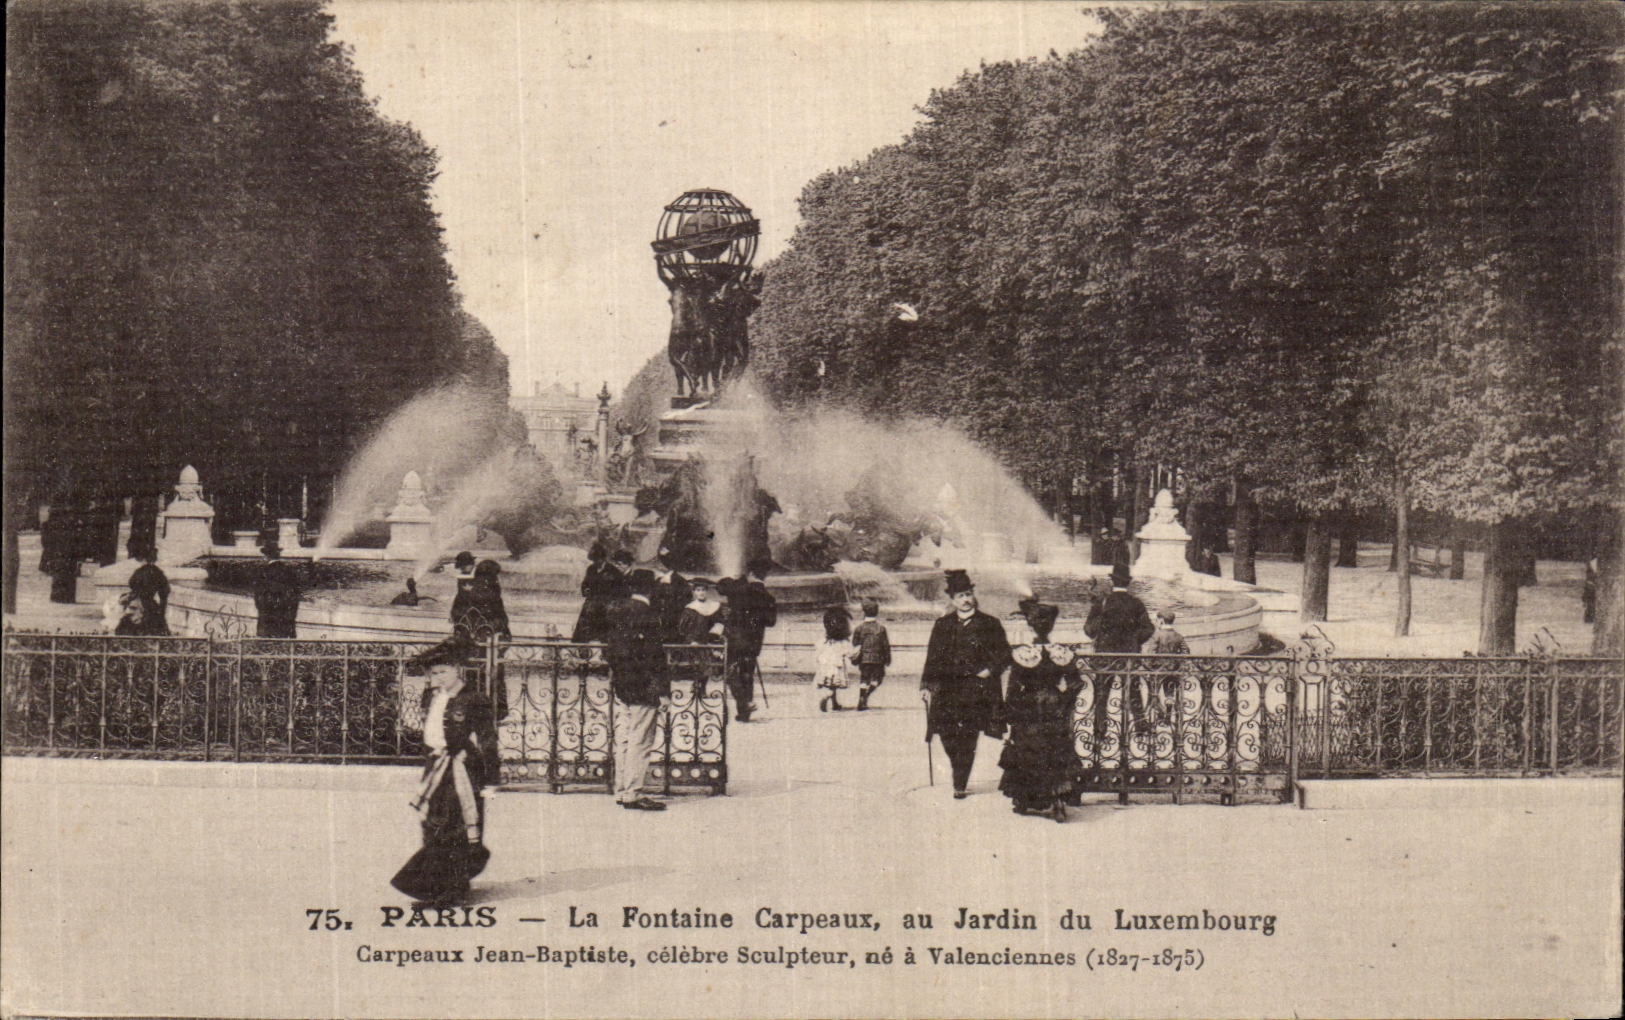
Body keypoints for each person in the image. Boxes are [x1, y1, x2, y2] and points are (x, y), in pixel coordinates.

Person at [390, 630, 499, 906]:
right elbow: (430, 733)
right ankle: (435, 886)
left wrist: (490, 781)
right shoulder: (432, 697)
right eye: (434, 673)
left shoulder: (474, 699)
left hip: (460, 769)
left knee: (455, 825)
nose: (438, 678)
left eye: (443, 671)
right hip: (436, 767)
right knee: (431, 822)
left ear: (458, 669)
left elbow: (488, 740)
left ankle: (455, 889)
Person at [920, 569, 1010, 799]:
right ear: (952, 600)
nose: (966, 600)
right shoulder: (943, 625)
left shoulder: (990, 624)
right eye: (960, 596)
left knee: (968, 735)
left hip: (976, 690)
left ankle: (960, 781)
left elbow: (1004, 654)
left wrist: (990, 670)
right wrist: (925, 685)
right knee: (947, 733)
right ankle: (957, 765)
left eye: (969, 594)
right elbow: (932, 657)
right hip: (947, 690)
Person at [999, 599, 1080, 822]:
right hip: (1054, 706)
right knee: (1056, 750)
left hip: (1029, 707)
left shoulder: (1024, 654)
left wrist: (1011, 710)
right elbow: (1076, 683)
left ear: (1030, 626)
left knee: (1028, 749)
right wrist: (1063, 700)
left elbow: (1013, 687)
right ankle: (1058, 800)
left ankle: (1026, 799)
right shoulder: (1060, 652)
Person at [603, 569, 668, 811]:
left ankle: (621, 789)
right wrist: (663, 690)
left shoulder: (616, 610)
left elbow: (609, 649)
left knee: (625, 738)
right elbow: (655, 656)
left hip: (623, 683)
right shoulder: (648, 614)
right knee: (641, 740)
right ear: (650, 589)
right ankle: (633, 793)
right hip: (644, 686)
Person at [1084, 563, 1155, 754]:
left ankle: (1100, 733)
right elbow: (1148, 628)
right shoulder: (1136, 603)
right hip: (1128, 657)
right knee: (1133, 692)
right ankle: (1140, 730)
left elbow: (1089, 630)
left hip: (1105, 657)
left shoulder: (1102, 602)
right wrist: (1134, 641)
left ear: (1111, 582)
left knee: (1101, 694)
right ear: (1128, 583)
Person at [720, 557, 777, 722]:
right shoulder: (768, 597)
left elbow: (721, 587)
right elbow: (771, 622)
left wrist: (734, 578)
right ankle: (744, 712)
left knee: (730, 672)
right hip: (754, 643)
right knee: (747, 674)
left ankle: (744, 702)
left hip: (736, 639)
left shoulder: (739, 589)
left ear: (750, 573)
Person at [572, 540, 623, 643]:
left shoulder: (613, 571)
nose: (595, 562)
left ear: (602, 558)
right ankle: (582, 651)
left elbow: (619, 589)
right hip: (591, 603)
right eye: (594, 560)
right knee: (583, 631)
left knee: (604, 632)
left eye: (597, 560)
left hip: (605, 605)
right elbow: (585, 583)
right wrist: (585, 590)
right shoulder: (591, 569)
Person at [253, 541, 301, 638]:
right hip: (286, 618)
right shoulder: (288, 571)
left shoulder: (264, 572)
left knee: (268, 645)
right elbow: (295, 594)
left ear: (267, 556)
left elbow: (259, 596)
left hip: (268, 618)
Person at [850, 598, 891, 711]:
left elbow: (855, 644)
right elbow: (885, 645)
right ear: (877, 612)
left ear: (864, 612)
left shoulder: (859, 628)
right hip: (878, 659)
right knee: (878, 679)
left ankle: (861, 699)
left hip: (864, 659)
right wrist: (888, 659)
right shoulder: (881, 628)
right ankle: (866, 696)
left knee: (864, 679)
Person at [123, 543, 170, 636]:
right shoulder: (159, 573)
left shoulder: (139, 572)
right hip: (152, 606)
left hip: (138, 604)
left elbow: (132, 585)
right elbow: (164, 593)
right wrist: (161, 612)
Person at [814, 605, 854, 712]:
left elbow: (818, 649)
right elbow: (850, 653)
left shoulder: (825, 640)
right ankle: (825, 697)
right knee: (833, 685)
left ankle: (835, 703)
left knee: (830, 684)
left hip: (825, 664)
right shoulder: (843, 642)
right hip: (836, 666)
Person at [651, 547, 694, 643]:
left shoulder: (680, 581)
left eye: (660, 561)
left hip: (674, 622)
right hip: (659, 622)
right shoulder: (658, 580)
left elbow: (686, 601)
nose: (657, 564)